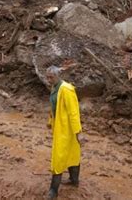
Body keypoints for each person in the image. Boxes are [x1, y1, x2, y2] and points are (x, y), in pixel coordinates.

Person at [46, 66, 82, 199]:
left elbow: (74, 112)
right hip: (59, 127)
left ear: (58, 75)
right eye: (47, 77)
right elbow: (54, 107)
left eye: (51, 77)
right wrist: (50, 121)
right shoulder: (55, 88)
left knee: (59, 158)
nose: (48, 80)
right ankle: (74, 180)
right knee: (71, 154)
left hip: (68, 129)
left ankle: (53, 190)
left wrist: (78, 132)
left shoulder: (66, 89)